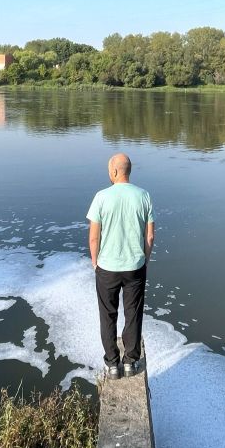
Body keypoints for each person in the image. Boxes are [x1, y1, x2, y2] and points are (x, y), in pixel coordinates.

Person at [87, 153, 155, 378]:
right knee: (133, 313)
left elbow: (94, 238)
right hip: (134, 266)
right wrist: (145, 259)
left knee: (108, 314)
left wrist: (95, 263)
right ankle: (130, 362)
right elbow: (150, 237)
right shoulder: (144, 196)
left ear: (115, 172)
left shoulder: (101, 197)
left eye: (109, 169)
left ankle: (112, 364)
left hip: (107, 267)